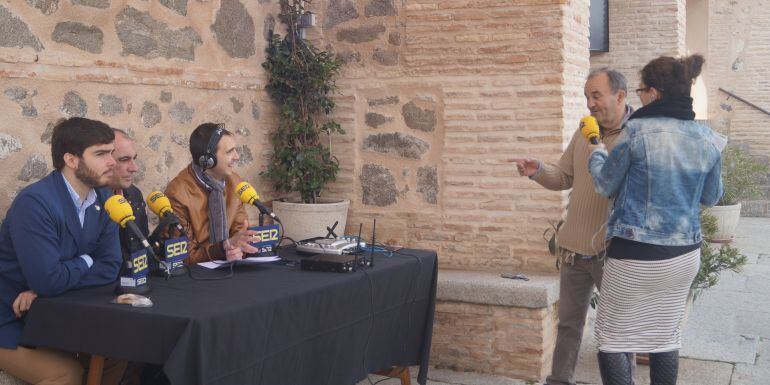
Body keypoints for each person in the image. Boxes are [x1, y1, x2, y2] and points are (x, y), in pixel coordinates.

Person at [587, 54, 722, 385]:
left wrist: (597, 154)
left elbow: (605, 184)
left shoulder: (636, 131)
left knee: (612, 338)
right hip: (685, 256)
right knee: (665, 336)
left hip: (636, 254)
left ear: (656, 93)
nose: (639, 96)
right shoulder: (709, 137)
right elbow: (711, 197)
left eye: (642, 89)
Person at [511, 68, 633, 385]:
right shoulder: (584, 132)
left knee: (619, 330)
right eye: (586, 96)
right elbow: (565, 177)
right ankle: (559, 381)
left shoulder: (637, 137)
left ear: (619, 96)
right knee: (568, 325)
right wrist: (538, 171)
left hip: (614, 253)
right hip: (574, 250)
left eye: (597, 95)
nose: (590, 104)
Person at [0, 117, 124, 385]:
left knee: (120, 352)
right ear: (71, 160)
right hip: (10, 318)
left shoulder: (106, 199)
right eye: (101, 154)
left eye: (111, 153)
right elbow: (48, 279)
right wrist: (88, 259)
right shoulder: (35, 203)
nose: (112, 161)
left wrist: (42, 290)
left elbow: (112, 266)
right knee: (66, 374)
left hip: (51, 309)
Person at [165, 123, 258, 264]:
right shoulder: (178, 193)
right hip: (196, 278)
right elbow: (183, 256)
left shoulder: (235, 182)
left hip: (229, 268)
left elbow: (239, 232)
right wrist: (222, 249)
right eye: (229, 152)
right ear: (208, 160)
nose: (237, 157)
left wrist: (238, 248)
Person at [107, 129, 149, 260]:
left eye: (133, 159)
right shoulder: (88, 202)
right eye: (124, 159)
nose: (134, 168)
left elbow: (141, 248)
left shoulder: (134, 194)